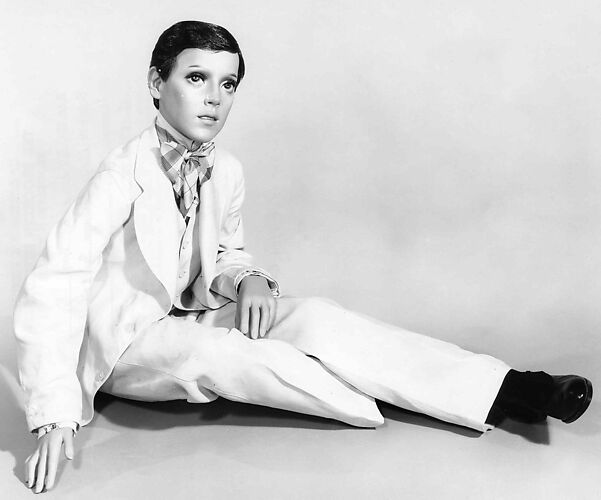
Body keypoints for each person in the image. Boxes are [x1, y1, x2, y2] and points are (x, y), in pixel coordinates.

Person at [13, 20, 592, 494]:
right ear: (156, 82)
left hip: (190, 310)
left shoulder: (225, 168)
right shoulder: (119, 177)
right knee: (222, 355)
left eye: (228, 84)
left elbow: (224, 252)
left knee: (317, 316)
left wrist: (249, 279)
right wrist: (53, 413)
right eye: (196, 78)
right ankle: (389, 395)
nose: (214, 98)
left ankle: (516, 388)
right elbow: (53, 286)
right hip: (125, 341)